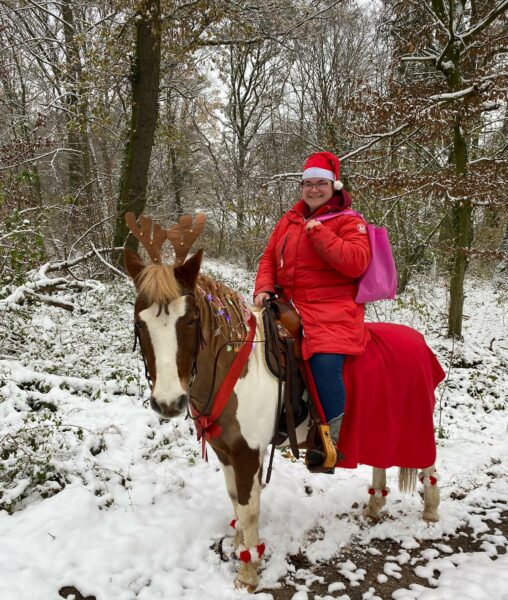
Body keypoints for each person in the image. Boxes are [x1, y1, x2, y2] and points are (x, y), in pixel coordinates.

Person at [253, 151, 371, 465]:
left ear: (335, 185)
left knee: (324, 360)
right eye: (308, 184)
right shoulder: (290, 219)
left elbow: (356, 263)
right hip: (288, 305)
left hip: (332, 310)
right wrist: (264, 287)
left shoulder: (350, 221)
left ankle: (328, 441)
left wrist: (320, 234)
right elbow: (268, 258)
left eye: (321, 183)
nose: (314, 190)